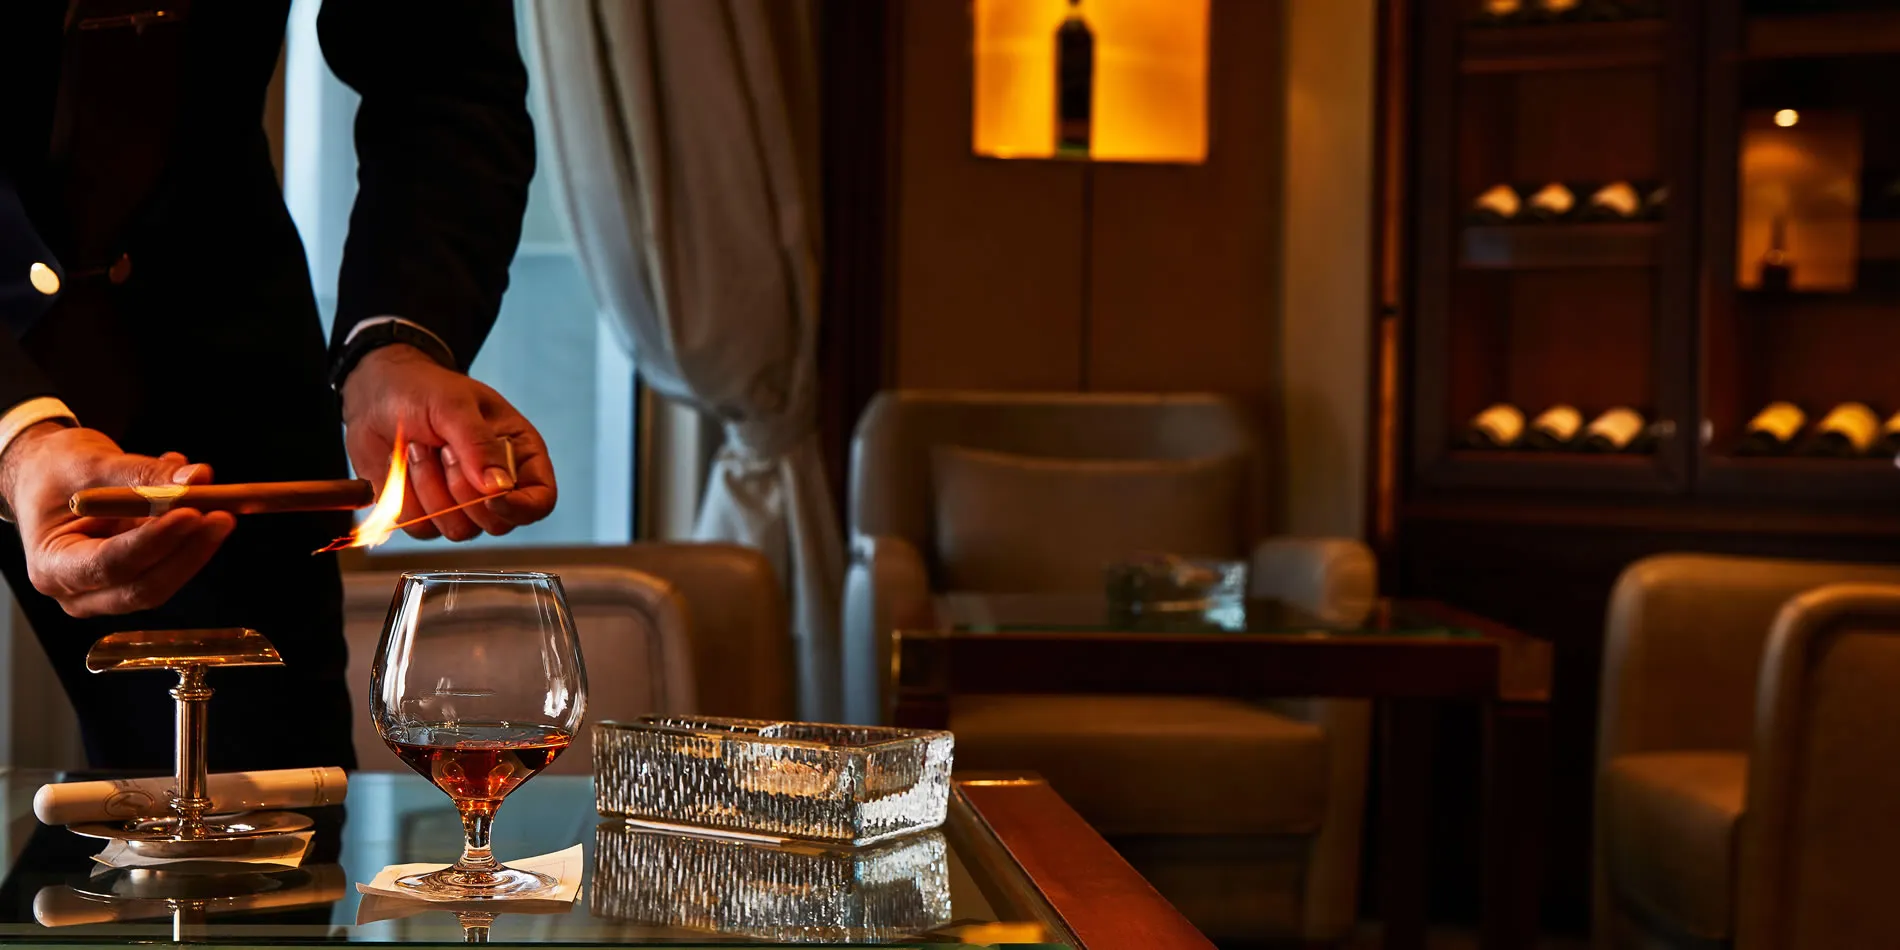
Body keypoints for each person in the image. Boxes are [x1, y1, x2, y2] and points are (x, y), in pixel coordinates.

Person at [0, 1, 554, 772]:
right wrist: (17, 434)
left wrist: (395, 344)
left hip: (219, 364)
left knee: (265, 808)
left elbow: (441, 71)